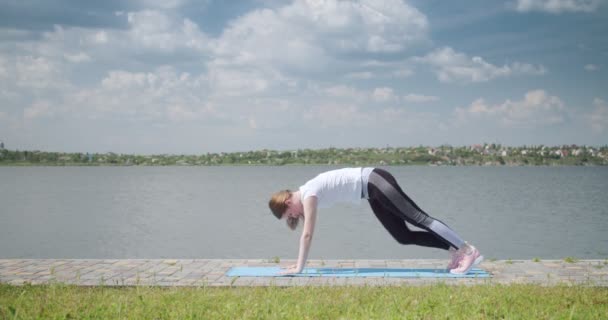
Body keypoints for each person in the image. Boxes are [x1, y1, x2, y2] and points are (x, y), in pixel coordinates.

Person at [268, 167, 483, 275]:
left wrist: (299, 268)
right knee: (403, 236)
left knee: (419, 218)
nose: (294, 217)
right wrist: (299, 264)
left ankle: (466, 249)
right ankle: (453, 249)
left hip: (375, 181)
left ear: (288, 203)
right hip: (371, 192)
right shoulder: (307, 194)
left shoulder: (309, 195)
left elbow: (307, 234)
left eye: (290, 215)